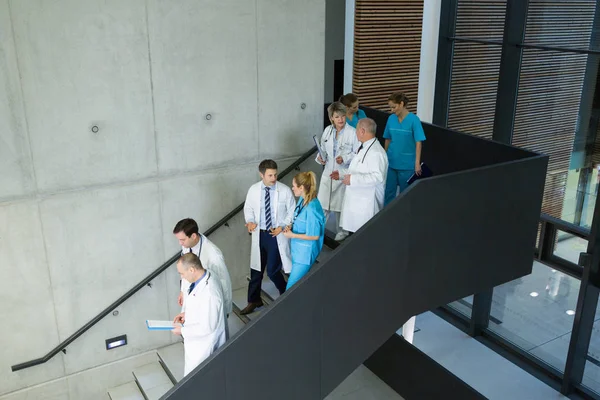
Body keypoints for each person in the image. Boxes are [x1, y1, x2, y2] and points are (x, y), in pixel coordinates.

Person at [241, 159, 295, 314]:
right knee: (256, 270)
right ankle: (254, 300)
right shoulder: (254, 190)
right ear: (261, 175)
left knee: (272, 270)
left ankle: (285, 292)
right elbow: (249, 208)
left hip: (275, 235)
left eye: (275, 174)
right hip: (260, 234)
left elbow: (292, 211)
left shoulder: (284, 190)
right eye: (270, 175)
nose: (273, 178)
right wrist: (250, 221)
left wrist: (283, 226)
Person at [173, 218, 233, 338]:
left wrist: (225, 311)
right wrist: (182, 291)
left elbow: (224, 283)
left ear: (193, 236)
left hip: (207, 303)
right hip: (193, 298)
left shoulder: (213, 255)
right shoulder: (187, 246)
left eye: (182, 239)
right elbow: (186, 269)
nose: (180, 243)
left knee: (207, 334)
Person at [172, 253, 226, 376]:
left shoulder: (210, 293)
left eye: (182, 273)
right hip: (197, 344)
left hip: (205, 347)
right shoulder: (202, 278)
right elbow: (201, 307)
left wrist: (182, 331)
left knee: (199, 381)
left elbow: (207, 327)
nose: (182, 277)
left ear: (191, 269)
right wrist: (187, 314)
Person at [316, 102, 360, 241]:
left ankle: (342, 231)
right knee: (322, 203)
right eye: (337, 117)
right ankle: (318, 229)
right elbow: (322, 149)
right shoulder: (327, 131)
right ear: (331, 119)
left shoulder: (352, 133)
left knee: (341, 205)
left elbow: (357, 154)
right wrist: (320, 158)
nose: (341, 119)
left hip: (342, 173)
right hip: (328, 172)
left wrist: (345, 158)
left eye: (342, 116)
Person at [339, 118, 388, 234]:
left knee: (364, 236)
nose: (355, 133)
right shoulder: (364, 147)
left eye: (356, 130)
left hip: (367, 205)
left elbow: (377, 177)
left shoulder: (376, 152)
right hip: (358, 202)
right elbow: (358, 169)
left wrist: (352, 179)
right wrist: (341, 174)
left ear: (362, 131)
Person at [283, 171, 326, 289]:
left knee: (290, 289)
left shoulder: (312, 207)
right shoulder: (303, 199)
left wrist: (292, 235)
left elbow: (314, 236)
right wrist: (291, 225)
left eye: (294, 186)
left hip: (305, 254)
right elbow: (298, 216)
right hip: (298, 250)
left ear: (301, 187)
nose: (292, 188)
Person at [383, 92, 426, 206]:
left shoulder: (414, 120)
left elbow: (418, 142)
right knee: (388, 192)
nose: (392, 110)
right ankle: (387, 217)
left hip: (407, 165)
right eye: (390, 107)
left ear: (401, 104)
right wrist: (384, 157)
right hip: (391, 162)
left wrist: (417, 163)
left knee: (405, 194)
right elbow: (387, 139)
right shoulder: (391, 119)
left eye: (394, 107)